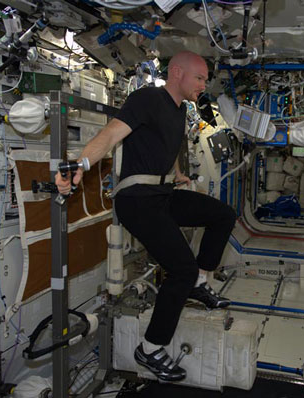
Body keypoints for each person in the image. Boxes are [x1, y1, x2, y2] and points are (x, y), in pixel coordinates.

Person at [55, 51, 236, 382]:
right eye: (200, 78)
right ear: (177, 73)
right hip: (137, 201)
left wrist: (178, 173)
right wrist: (80, 165)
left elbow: (167, 147)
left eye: (206, 80)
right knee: (180, 268)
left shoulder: (181, 110)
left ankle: (197, 282)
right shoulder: (147, 98)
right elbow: (110, 134)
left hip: (162, 195)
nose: (203, 85)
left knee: (223, 214)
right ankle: (150, 349)